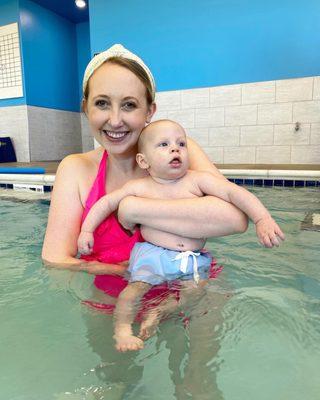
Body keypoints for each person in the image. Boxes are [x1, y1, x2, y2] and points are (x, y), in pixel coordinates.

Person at [77, 119, 285, 351]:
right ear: (143, 160)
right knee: (131, 293)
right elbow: (106, 203)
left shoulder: (197, 181)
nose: (175, 149)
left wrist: (262, 218)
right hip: (152, 255)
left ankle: (159, 310)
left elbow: (234, 192)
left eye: (181, 144)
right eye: (164, 145)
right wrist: (87, 229)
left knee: (193, 294)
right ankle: (123, 332)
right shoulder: (140, 186)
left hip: (192, 257)